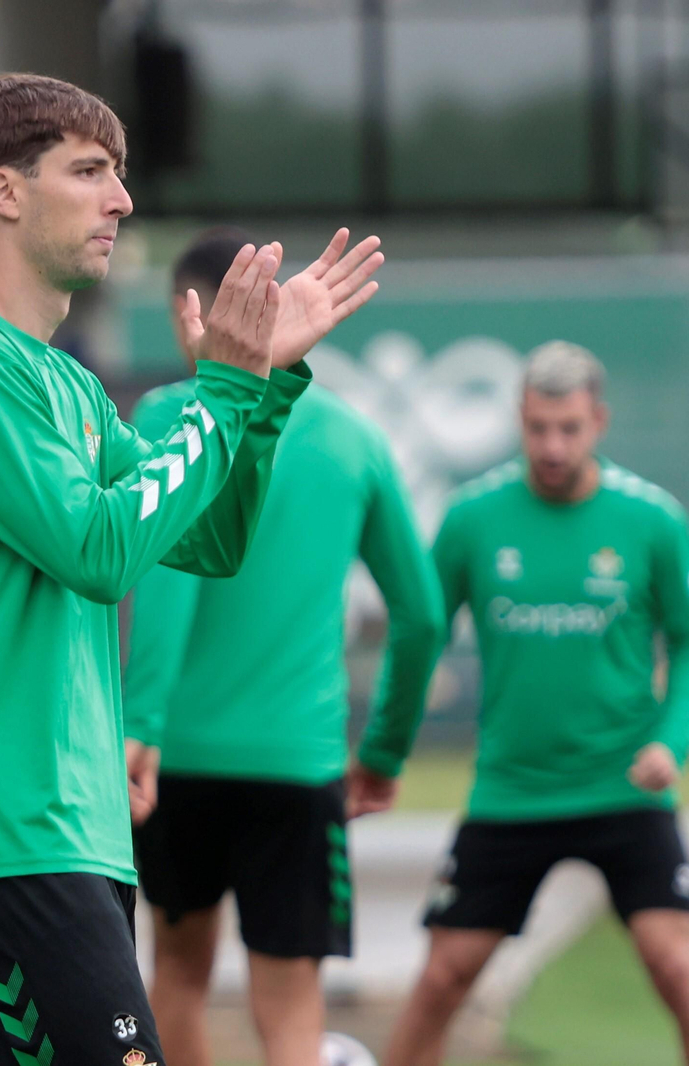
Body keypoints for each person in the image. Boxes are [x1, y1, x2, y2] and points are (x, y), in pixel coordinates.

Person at [0, 74, 383, 1066]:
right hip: (3, 835)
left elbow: (205, 541)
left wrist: (257, 395)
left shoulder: (62, 378)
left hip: (73, 833)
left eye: (120, 174)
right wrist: (225, 389)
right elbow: (100, 551)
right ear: (3, 193)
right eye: (91, 170)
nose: (122, 200)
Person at [122, 227, 445, 1066]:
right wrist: (384, 751)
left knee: (178, 978)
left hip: (176, 764)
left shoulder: (162, 418)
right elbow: (420, 616)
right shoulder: (352, 437)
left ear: (187, 310)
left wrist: (143, 723)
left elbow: (166, 588)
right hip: (296, 767)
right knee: (291, 1011)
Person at [383, 342, 689, 1066]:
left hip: (622, 786)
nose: (553, 446)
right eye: (538, 428)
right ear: (519, 419)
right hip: (511, 791)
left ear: (599, 422)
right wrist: (383, 752)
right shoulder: (472, 518)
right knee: (441, 976)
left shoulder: (652, 522)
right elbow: (418, 629)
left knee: (675, 966)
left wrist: (668, 745)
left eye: (570, 429)